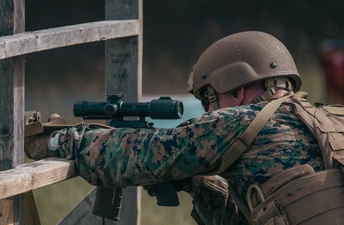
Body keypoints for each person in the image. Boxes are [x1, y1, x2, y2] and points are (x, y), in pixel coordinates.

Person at [26, 31, 344, 225]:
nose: (209, 110)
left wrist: (54, 140)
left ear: (235, 88)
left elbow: (135, 155)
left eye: (208, 98)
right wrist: (199, 186)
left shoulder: (239, 120)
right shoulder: (334, 119)